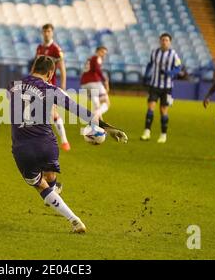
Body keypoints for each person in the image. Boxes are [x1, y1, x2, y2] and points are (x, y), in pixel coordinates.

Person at [8, 56, 128, 233]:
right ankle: (54, 188)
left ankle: (74, 220)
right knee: (49, 174)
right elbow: (78, 110)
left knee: (39, 184)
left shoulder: (12, 85)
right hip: (46, 144)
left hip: (22, 148)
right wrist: (109, 129)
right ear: (50, 73)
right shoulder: (51, 89)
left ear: (33, 67)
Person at [34, 24, 70, 151]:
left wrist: (63, 85)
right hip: (37, 85)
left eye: (48, 31)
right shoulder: (39, 48)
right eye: (44, 31)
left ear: (52, 33)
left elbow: (62, 68)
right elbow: (35, 66)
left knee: (52, 113)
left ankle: (64, 141)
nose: (46, 33)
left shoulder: (56, 49)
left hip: (49, 85)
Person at [140, 33, 182, 143]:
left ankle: (163, 134)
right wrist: (146, 75)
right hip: (154, 85)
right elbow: (150, 64)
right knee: (150, 108)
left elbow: (178, 68)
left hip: (167, 87)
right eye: (163, 40)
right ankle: (147, 132)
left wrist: (170, 73)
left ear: (170, 42)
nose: (164, 42)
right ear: (160, 41)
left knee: (163, 110)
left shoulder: (173, 54)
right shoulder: (155, 52)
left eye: (166, 40)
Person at [80, 46, 110, 119]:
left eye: (105, 53)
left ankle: (100, 127)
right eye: (102, 52)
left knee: (97, 106)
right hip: (94, 82)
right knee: (106, 102)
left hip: (84, 84)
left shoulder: (90, 59)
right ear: (98, 51)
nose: (103, 55)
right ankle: (94, 116)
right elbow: (97, 69)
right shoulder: (97, 58)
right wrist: (105, 80)